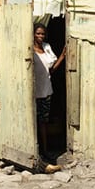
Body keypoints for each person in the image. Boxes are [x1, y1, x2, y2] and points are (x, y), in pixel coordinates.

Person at [32, 22, 65, 161]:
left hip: (45, 90)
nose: (40, 36)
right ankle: (35, 150)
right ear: (33, 34)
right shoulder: (29, 49)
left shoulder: (47, 47)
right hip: (32, 91)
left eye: (43, 34)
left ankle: (44, 150)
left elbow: (50, 70)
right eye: (38, 33)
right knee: (32, 121)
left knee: (43, 121)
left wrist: (63, 56)